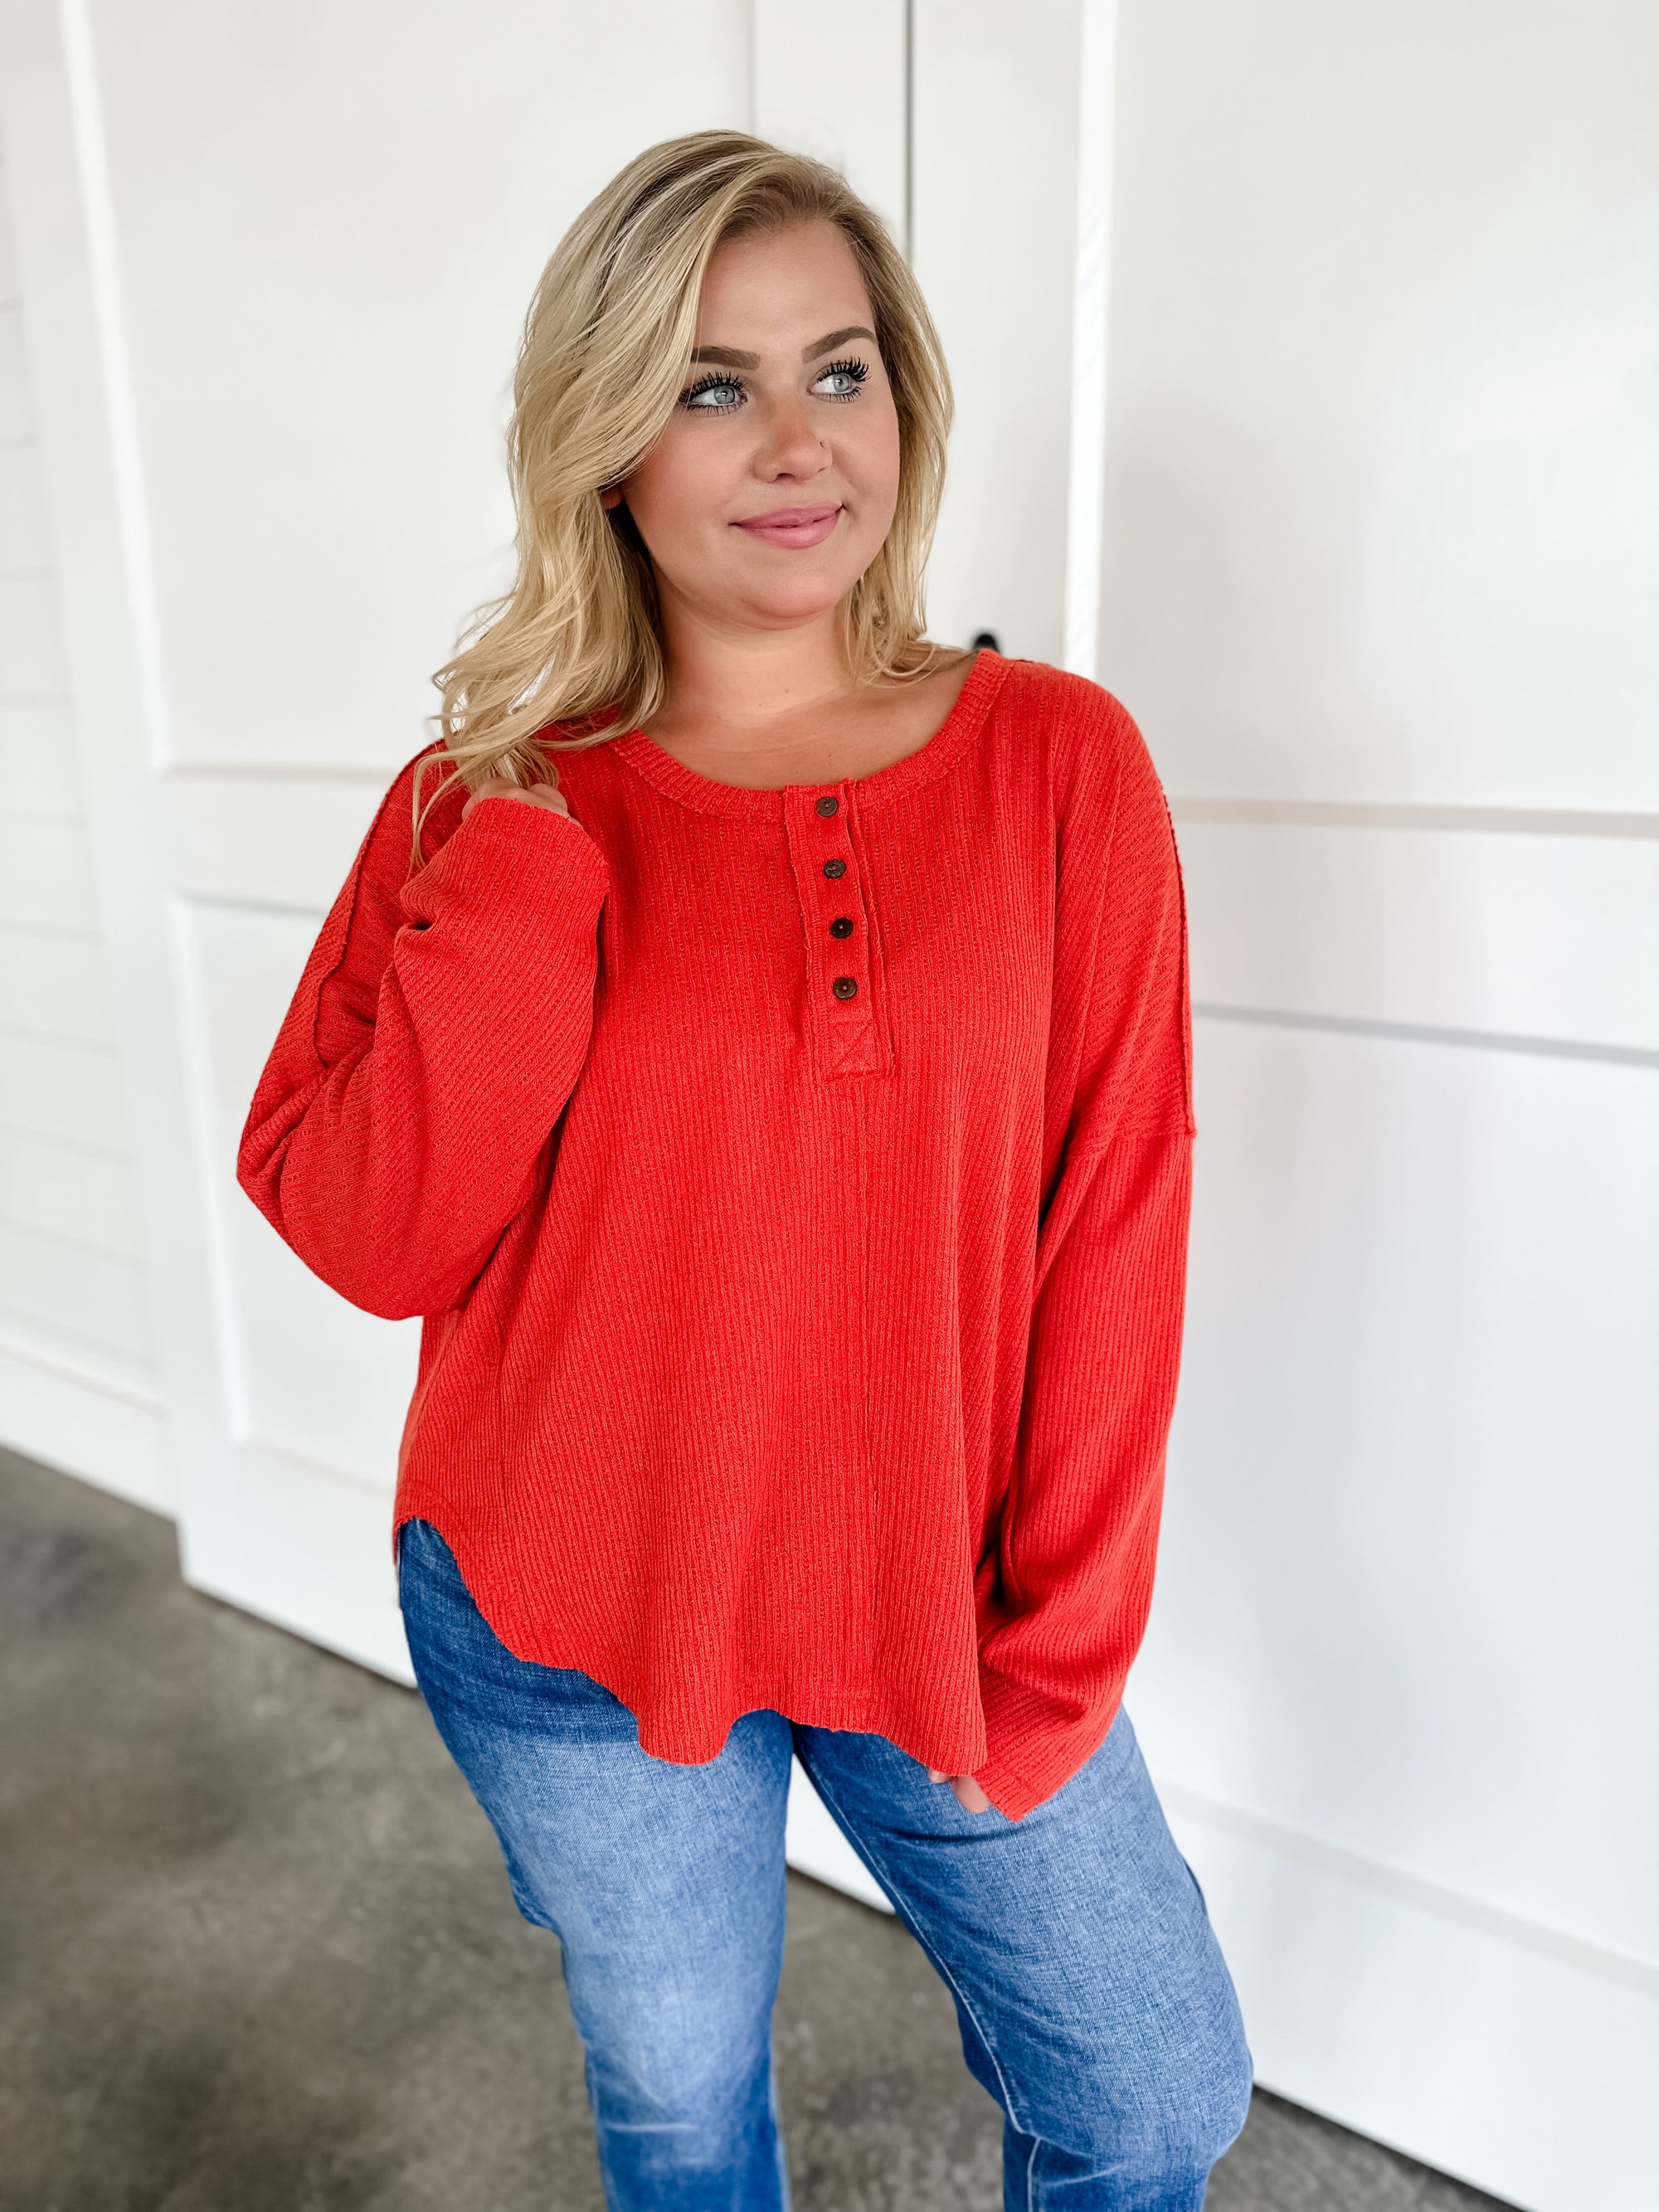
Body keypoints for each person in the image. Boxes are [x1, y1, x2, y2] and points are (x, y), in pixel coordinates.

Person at [237, 129, 1252, 2212]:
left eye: (838, 369)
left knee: (1153, 2094)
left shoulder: (1059, 759)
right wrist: (522, 859)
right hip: (567, 1610)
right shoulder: (481, 802)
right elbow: (367, 1226)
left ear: (903, 402)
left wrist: (1057, 1649)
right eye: (713, 384)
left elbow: (1115, 1211)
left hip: (941, 1605)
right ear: (609, 443)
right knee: (683, 2108)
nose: (797, 443)